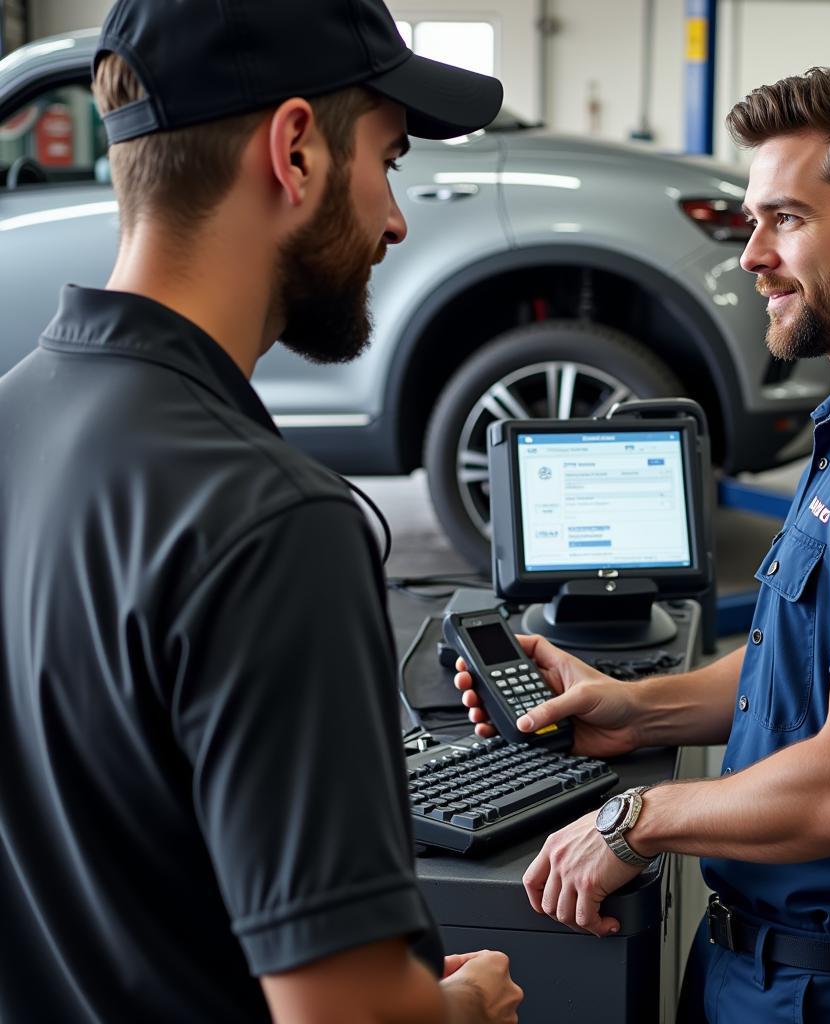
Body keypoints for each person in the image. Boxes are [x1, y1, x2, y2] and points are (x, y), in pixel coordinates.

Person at [456, 61, 830, 1022]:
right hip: (772, 967)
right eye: (754, 219)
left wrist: (639, 817)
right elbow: (811, 663)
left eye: (786, 220)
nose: (752, 254)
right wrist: (635, 710)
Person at [0, 1, 524, 1022]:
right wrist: (462, 1007)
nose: (396, 218)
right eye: (390, 157)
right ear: (295, 152)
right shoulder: (270, 523)